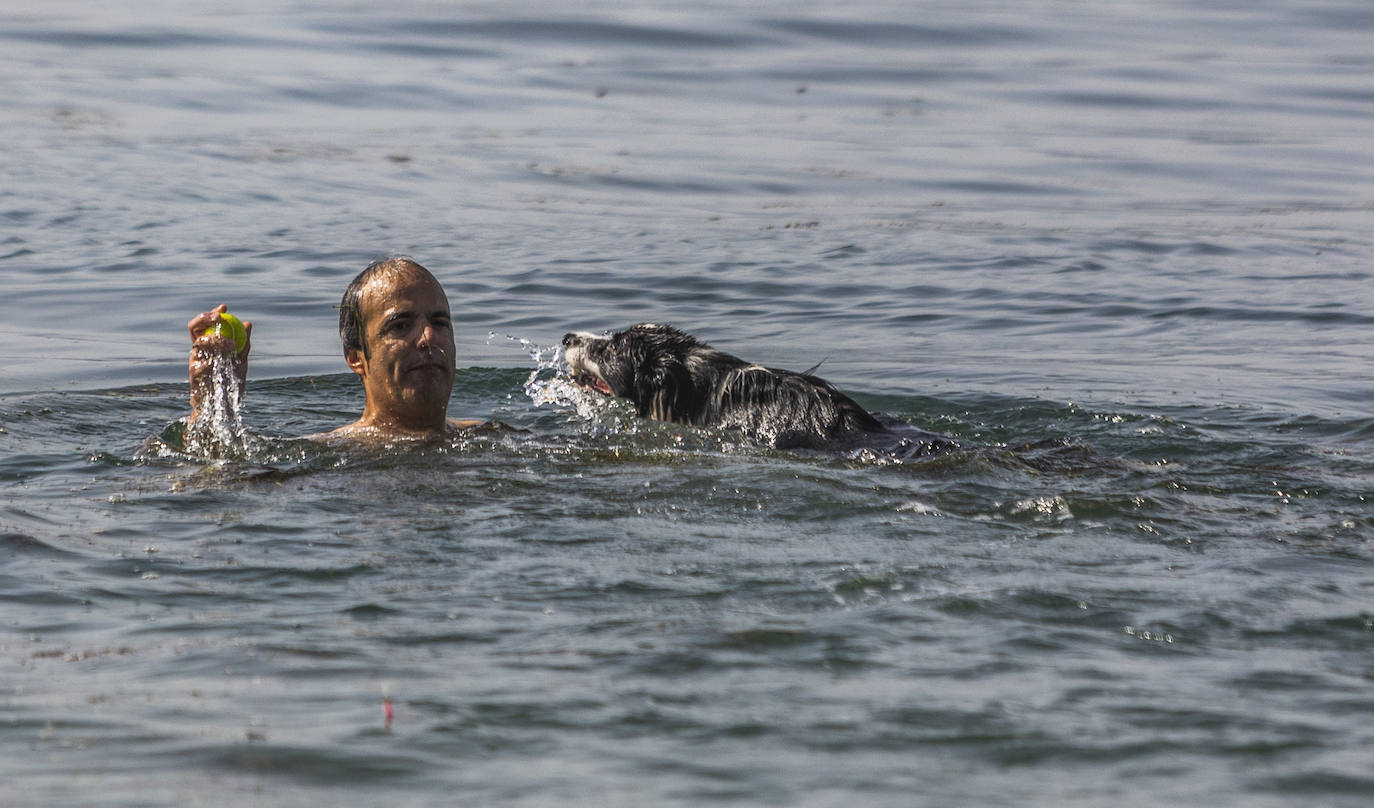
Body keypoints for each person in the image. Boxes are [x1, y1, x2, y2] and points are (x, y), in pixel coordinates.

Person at [187, 257, 484, 440]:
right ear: (356, 358)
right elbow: (215, 489)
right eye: (400, 325)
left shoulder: (492, 439)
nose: (427, 337)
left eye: (440, 322)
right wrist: (212, 407)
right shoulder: (326, 456)